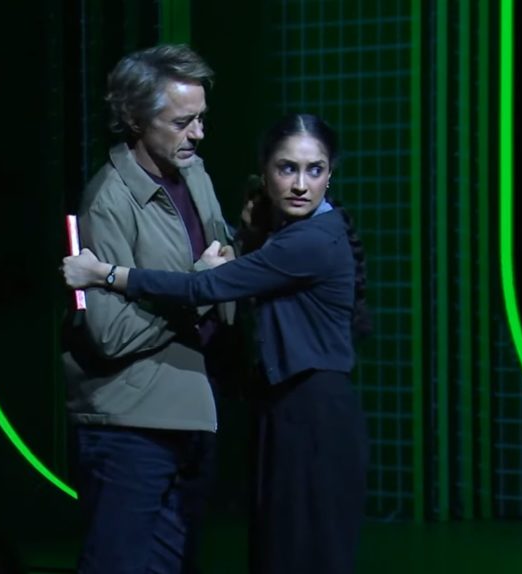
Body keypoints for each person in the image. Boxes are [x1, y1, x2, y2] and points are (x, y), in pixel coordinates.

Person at [63, 113, 372, 574]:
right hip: (290, 408)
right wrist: (248, 236)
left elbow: (201, 287)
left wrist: (104, 274)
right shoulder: (293, 235)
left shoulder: (311, 241)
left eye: (315, 170)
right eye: (287, 168)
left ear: (331, 174)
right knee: (280, 550)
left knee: (304, 554)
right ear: (264, 172)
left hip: (314, 414)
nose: (300, 184)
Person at [61, 44, 237, 574]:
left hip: (192, 411)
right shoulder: (108, 201)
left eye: (201, 119)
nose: (198, 134)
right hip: (129, 425)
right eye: (182, 122)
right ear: (136, 119)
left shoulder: (195, 174)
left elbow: (219, 264)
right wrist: (197, 287)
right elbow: (109, 333)